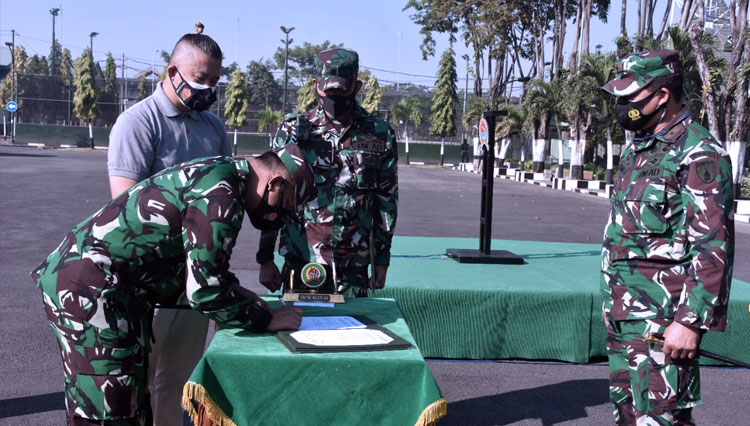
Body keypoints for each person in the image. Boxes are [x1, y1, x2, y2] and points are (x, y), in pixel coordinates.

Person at [33, 149, 313, 425]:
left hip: (111, 288)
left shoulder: (225, 173)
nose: (278, 216)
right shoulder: (221, 192)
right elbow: (205, 290)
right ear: (275, 183)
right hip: (92, 289)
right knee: (108, 407)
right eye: (285, 206)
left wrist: (244, 294)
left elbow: (204, 267)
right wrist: (264, 320)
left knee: (131, 399)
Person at [600, 49, 734, 425]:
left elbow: (713, 244)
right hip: (625, 315)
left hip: (664, 321)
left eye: (631, 98)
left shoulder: (699, 153)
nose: (623, 106)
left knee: (663, 418)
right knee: (628, 416)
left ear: (661, 95)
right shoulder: (639, 150)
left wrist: (691, 322)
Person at [106, 28, 230, 425]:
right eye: (200, 78)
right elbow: (123, 210)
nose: (207, 88)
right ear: (172, 71)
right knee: (139, 378)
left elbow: (226, 192)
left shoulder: (212, 128)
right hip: (147, 279)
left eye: (214, 80)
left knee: (179, 379)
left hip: (195, 278)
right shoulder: (138, 123)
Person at [257, 48, 398, 297]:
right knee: (300, 332)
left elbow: (386, 201)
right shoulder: (292, 131)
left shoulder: (379, 133)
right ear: (315, 85)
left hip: (353, 264)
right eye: (328, 90)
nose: (334, 97)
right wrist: (265, 257)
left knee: (352, 333)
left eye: (341, 90)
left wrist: (381, 258)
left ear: (357, 86)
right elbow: (272, 197)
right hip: (301, 260)